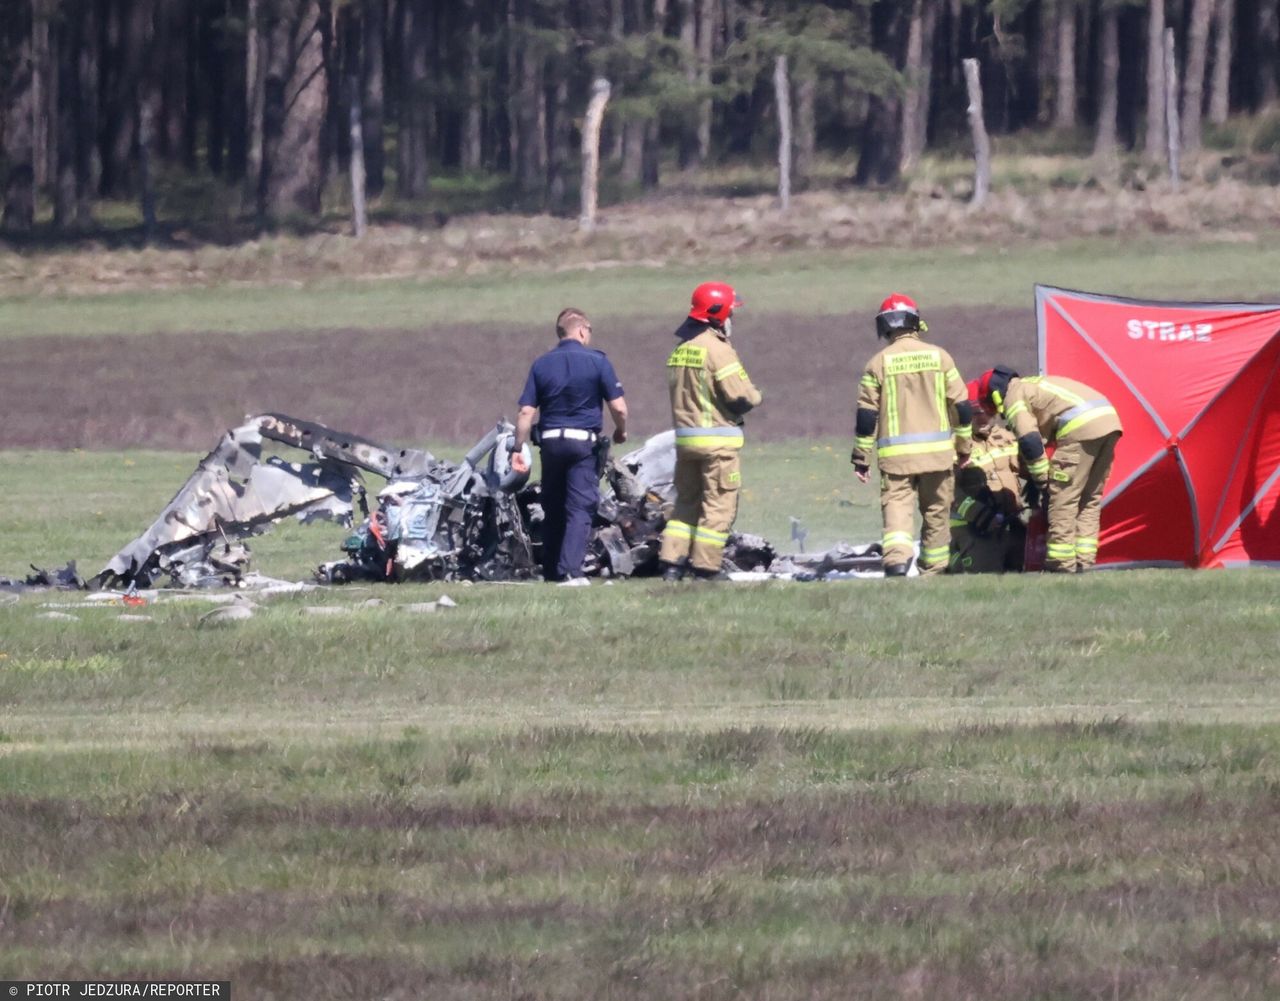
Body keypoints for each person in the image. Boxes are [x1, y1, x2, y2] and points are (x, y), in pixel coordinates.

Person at [851, 294, 973, 577]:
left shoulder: (877, 363)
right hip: (938, 457)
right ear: (915, 321)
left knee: (897, 512)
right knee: (936, 514)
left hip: (897, 461)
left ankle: (895, 562)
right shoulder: (940, 357)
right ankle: (935, 568)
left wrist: (861, 458)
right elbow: (962, 406)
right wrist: (964, 447)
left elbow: (867, 416)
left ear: (884, 325)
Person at [511, 308, 628, 586]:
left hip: (550, 444)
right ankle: (570, 572)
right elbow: (619, 408)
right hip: (581, 445)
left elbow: (526, 412)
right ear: (582, 330)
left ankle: (551, 571)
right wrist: (620, 432)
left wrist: (517, 446)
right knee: (580, 506)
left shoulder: (541, 364)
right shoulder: (597, 361)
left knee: (553, 505)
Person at [658, 281, 762, 582]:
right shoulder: (718, 350)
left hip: (686, 444)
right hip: (718, 445)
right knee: (718, 506)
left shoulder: (681, 350)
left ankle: (672, 564)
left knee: (685, 505)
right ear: (719, 315)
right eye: (731, 312)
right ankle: (706, 568)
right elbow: (740, 397)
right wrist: (758, 396)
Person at [974, 366, 1122, 573]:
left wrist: (1042, 482)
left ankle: (1061, 565)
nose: (995, 413)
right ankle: (1084, 561)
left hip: (1081, 427)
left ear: (995, 395)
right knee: (1089, 498)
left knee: (1063, 497)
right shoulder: (1034, 384)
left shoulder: (1013, 396)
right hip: (1109, 422)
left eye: (990, 406)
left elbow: (1029, 440)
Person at [949, 381, 1026, 573]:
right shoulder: (954, 446)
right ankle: (954, 557)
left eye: (987, 411)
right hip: (974, 525)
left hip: (1012, 521)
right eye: (975, 412)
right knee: (986, 572)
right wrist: (981, 515)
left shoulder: (1008, 437)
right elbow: (949, 491)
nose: (982, 417)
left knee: (1028, 566)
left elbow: (1027, 469)